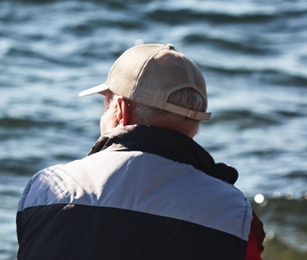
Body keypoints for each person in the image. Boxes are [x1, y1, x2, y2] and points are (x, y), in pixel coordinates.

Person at [16, 44, 265, 259]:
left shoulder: (44, 191)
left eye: (106, 105)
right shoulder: (233, 214)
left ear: (121, 111)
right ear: (195, 124)